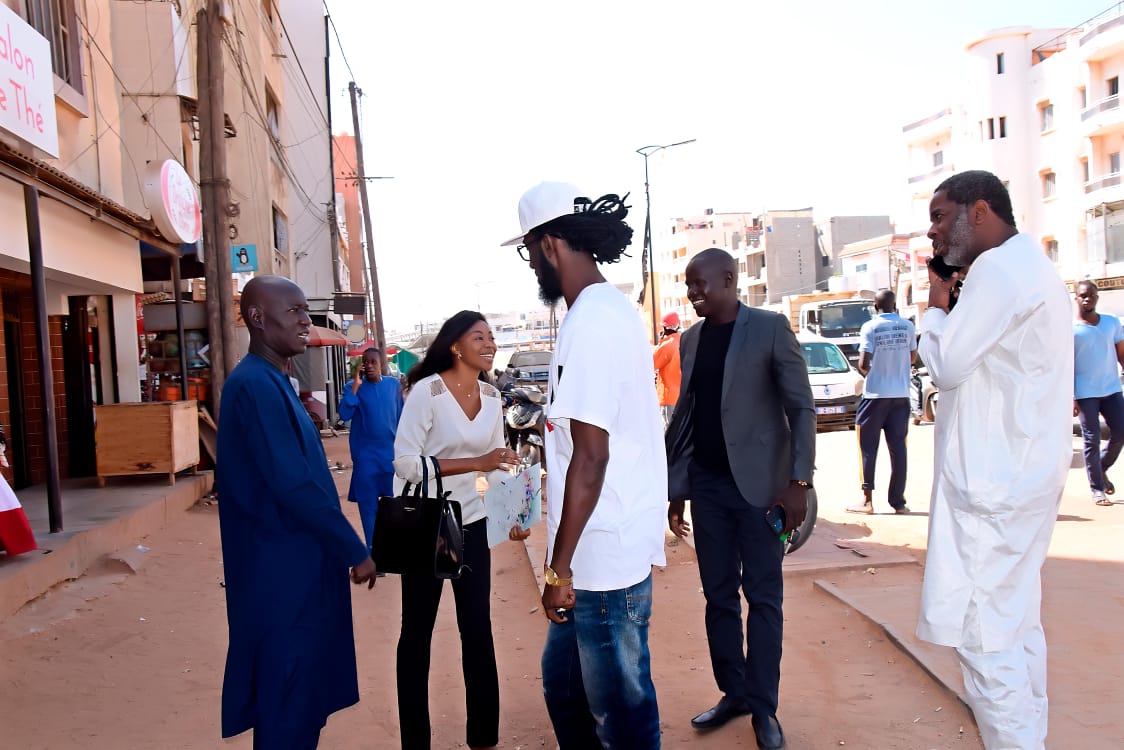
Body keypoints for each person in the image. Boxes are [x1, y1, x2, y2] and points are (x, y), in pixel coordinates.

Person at [502, 182, 666, 748]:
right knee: (565, 689)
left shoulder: (593, 322)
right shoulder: (603, 312)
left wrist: (558, 570)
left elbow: (591, 457)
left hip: (601, 559)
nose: (533, 268)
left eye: (529, 253)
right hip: (595, 547)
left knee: (622, 712)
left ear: (548, 246)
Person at [919, 171, 1071, 750]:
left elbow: (950, 365)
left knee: (986, 642)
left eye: (939, 216)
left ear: (978, 211)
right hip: (1021, 481)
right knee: (1016, 629)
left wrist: (936, 310)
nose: (932, 232)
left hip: (994, 491)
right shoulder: (1028, 267)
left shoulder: (999, 271)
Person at [215, 275, 377, 749]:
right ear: (258, 319)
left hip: (299, 567)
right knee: (287, 699)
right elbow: (293, 483)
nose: (306, 320)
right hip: (280, 573)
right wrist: (353, 547)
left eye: (307, 310)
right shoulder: (254, 385)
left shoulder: (275, 381)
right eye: (294, 312)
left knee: (302, 698)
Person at [665, 248, 815, 750]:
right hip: (707, 488)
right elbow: (687, 418)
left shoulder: (770, 329)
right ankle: (734, 692)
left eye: (700, 284)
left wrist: (798, 484)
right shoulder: (689, 341)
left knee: (764, 598)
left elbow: (802, 408)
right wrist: (677, 489)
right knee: (718, 596)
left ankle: (763, 708)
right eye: (688, 286)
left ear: (729, 279)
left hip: (762, 492)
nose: (693, 294)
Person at [392, 310, 527, 750]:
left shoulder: (492, 397)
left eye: (491, 337)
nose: (489, 344)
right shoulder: (426, 395)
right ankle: (416, 740)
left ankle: (483, 737)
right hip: (425, 524)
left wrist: (514, 517)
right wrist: (475, 463)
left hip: (470, 523)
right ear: (455, 346)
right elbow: (406, 463)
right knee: (417, 632)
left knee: (477, 628)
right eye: (479, 337)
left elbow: (500, 465)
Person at [846, 289, 916, 515]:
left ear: (876, 308)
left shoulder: (870, 327)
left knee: (867, 447)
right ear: (895, 305)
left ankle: (867, 501)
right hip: (901, 395)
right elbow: (912, 356)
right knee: (898, 449)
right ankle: (898, 502)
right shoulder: (908, 326)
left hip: (875, 396)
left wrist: (872, 373)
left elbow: (864, 363)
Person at [339, 347, 404, 549]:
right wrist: (356, 387)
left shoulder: (393, 386)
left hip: (390, 456)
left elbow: (401, 418)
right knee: (368, 508)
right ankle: (374, 553)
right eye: (365, 362)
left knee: (393, 504)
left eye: (373, 362)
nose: (368, 366)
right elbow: (344, 414)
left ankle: (391, 550)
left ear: (381, 363)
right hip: (365, 457)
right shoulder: (353, 386)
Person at [1072, 280, 1124, 506]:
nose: (1087, 299)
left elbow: (1121, 353)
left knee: (1121, 433)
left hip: (1112, 389)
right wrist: (1071, 396)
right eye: (1083, 295)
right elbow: (1066, 365)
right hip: (1085, 393)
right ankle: (1097, 489)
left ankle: (1101, 468)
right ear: (1076, 298)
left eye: (1091, 295)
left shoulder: (1111, 323)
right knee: (1091, 440)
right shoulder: (1071, 330)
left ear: (1097, 297)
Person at [653, 311, 682, 427]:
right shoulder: (682, 341)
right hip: (681, 397)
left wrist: (660, 343)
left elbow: (651, 364)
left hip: (669, 397)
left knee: (669, 433)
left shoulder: (667, 345)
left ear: (665, 328)